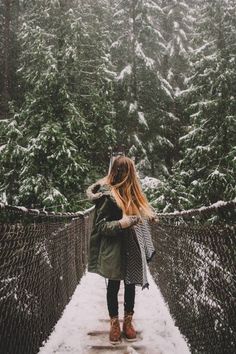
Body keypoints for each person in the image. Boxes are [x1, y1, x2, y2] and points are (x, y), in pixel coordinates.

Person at [86, 155, 157, 345]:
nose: (123, 175)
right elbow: (100, 227)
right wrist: (121, 223)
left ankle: (128, 321)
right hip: (113, 248)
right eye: (121, 171)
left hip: (132, 247)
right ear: (116, 172)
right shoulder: (107, 197)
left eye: (126, 172)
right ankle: (114, 323)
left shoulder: (134, 194)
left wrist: (147, 216)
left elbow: (139, 213)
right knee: (114, 284)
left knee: (131, 283)